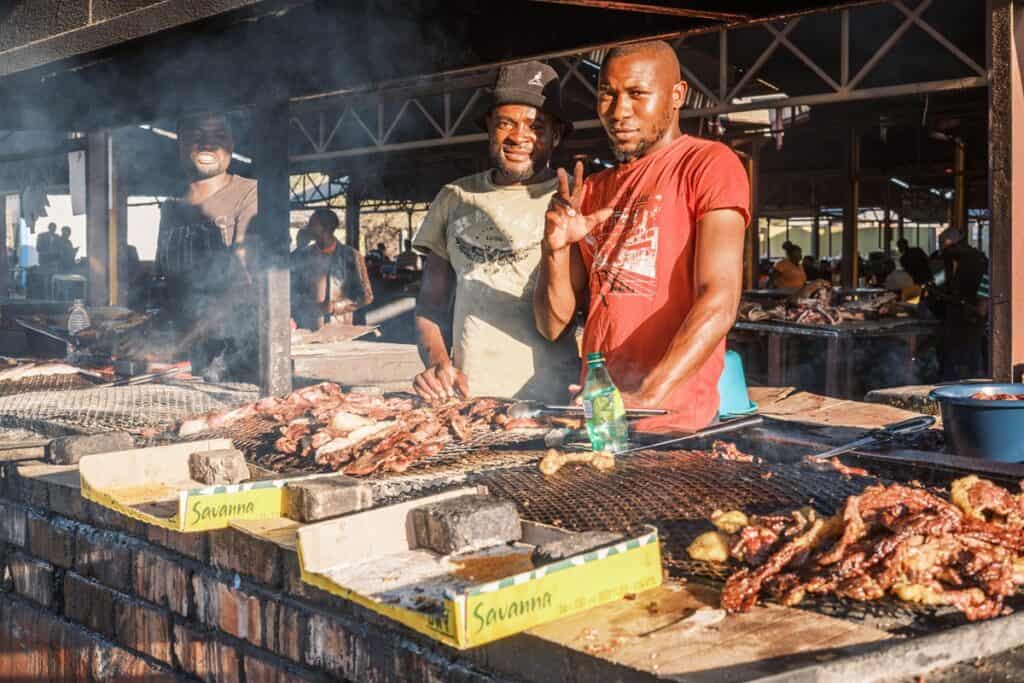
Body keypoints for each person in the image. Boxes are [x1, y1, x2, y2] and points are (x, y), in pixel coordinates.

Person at [535, 41, 750, 432]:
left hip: (674, 422)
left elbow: (720, 299)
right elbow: (552, 326)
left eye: (637, 94)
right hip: (601, 413)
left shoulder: (708, 165)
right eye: (607, 95)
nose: (619, 112)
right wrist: (554, 252)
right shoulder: (593, 190)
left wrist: (648, 396)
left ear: (676, 96)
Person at [413, 61, 580, 402]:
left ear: (557, 135)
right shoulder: (454, 198)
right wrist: (437, 363)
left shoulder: (576, 201)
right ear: (489, 127)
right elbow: (430, 304)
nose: (519, 137)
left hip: (554, 403)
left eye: (537, 126)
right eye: (506, 123)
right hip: (468, 403)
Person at [154, 111, 259, 383]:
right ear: (180, 143)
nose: (208, 145)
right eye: (197, 135)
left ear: (232, 144)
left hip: (234, 356)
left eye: (219, 136)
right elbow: (164, 282)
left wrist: (181, 339)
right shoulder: (172, 206)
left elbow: (243, 285)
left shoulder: (249, 193)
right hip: (184, 355)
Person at [291, 208, 373, 330]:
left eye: (313, 223)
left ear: (325, 228)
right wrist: (304, 305)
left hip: (339, 330)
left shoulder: (350, 256)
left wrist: (335, 307)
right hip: (307, 328)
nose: (308, 227)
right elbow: (292, 291)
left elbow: (366, 296)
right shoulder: (303, 256)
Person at [932, 227, 988, 380]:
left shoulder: (974, 260)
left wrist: (980, 305)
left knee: (968, 354)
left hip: (971, 312)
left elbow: (939, 283)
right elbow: (939, 283)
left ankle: (971, 383)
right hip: (962, 312)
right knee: (963, 354)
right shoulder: (953, 261)